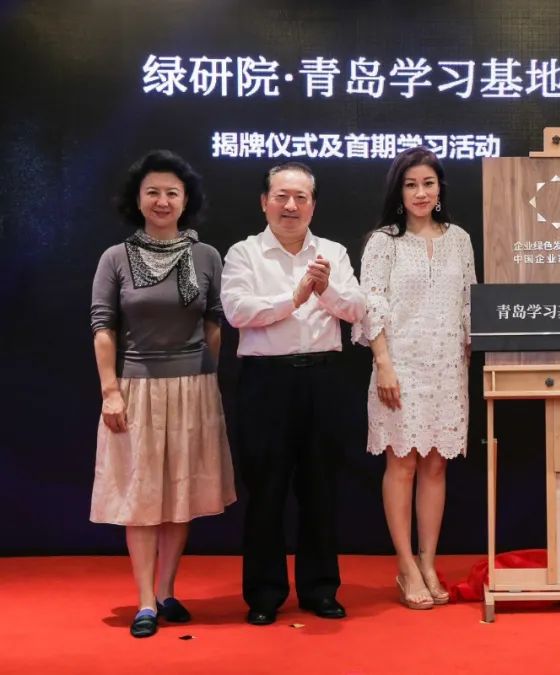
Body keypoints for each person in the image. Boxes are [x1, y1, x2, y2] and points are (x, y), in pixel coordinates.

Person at [90, 150, 236, 638]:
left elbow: (214, 321)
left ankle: (169, 591)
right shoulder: (115, 257)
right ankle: (145, 602)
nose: (162, 200)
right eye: (152, 191)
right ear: (137, 199)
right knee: (142, 495)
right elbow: (103, 327)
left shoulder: (206, 255)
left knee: (179, 494)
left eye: (172, 192)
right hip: (136, 390)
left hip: (194, 389)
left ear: (185, 200)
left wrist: (207, 375)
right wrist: (110, 390)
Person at [221, 161, 366, 626]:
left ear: (313, 206)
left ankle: (320, 589)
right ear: (264, 202)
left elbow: (357, 309)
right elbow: (237, 311)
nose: (291, 205)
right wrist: (295, 298)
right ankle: (264, 594)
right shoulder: (244, 253)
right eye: (281, 196)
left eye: (301, 197)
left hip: (323, 380)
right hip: (266, 383)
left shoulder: (332, 252)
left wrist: (325, 290)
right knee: (266, 490)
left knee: (320, 488)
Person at [354, 146, 476, 610]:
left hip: (447, 367)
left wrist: (466, 356)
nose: (420, 193)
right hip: (399, 367)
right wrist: (383, 363)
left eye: (428, 183)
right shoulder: (383, 242)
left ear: (440, 188)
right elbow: (372, 305)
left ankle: (428, 561)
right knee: (402, 464)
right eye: (410, 185)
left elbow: (470, 302)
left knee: (436, 465)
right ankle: (405, 565)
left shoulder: (459, 239)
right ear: (398, 192)